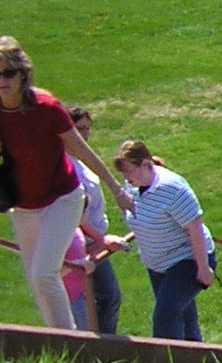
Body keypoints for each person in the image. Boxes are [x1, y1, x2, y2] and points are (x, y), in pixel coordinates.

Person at [1, 38, 130, 331]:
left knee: (44, 273)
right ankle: (58, 339)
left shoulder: (47, 108)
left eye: (7, 73)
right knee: (38, 279)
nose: (2, 81)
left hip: (63, 199)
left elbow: (85, 153)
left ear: (23, 74)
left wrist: (118, 191)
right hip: (24, 205)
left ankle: (68, 345)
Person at [110, 139, 215, 343]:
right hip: (157, 263)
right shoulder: (132, 186)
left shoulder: (173, 189)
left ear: (146, 165)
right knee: (183, 314)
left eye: (130, 171)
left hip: (186, 260)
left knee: (166, 315)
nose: (127, 178)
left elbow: (195, 227)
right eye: (123, 174)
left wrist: (203, 268)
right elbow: (132, 210)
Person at [67, 105, 126, 336]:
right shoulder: (67, 166)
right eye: (78, 129)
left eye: (87, 129)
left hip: (94, 240)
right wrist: (101, 239)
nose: (84, 135)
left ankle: (103, 343)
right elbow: (74, 214)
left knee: (107, 297)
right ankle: (97, 345)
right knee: (97, 297)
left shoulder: (82, 159)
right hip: (84, 243)